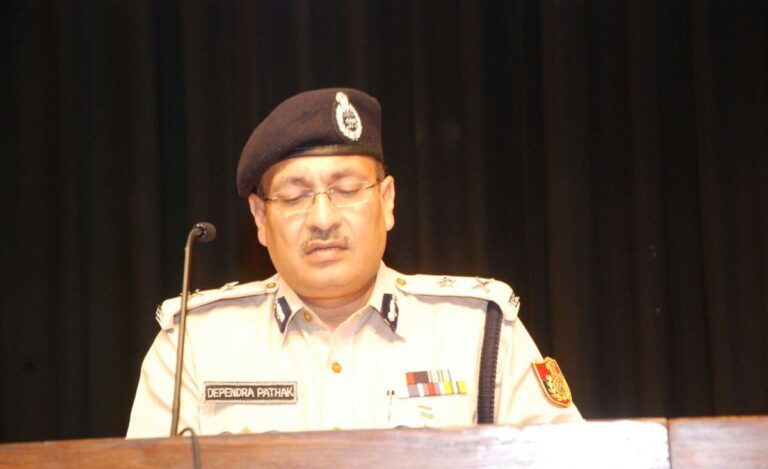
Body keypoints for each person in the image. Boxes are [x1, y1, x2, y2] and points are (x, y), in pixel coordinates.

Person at [127, 88, 582, 438]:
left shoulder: (479, 331)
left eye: (346, 190)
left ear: (387, 201)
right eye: (295, 196)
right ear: (261, 218)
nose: (323, 219)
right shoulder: (193, 345)